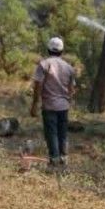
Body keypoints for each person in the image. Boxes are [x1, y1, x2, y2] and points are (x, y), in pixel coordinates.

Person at [30, 36, 76, 167]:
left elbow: (38, 85)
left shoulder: (43, 64)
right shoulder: (69, 67)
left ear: (48, 49)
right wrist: (69, 102)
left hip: (49, 106)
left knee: (52, 133)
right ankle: (63, 158)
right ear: (62, 51)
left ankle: (54, 160)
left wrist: (35, 104)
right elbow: (71, 89)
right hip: (64, 106)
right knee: (63, 133)